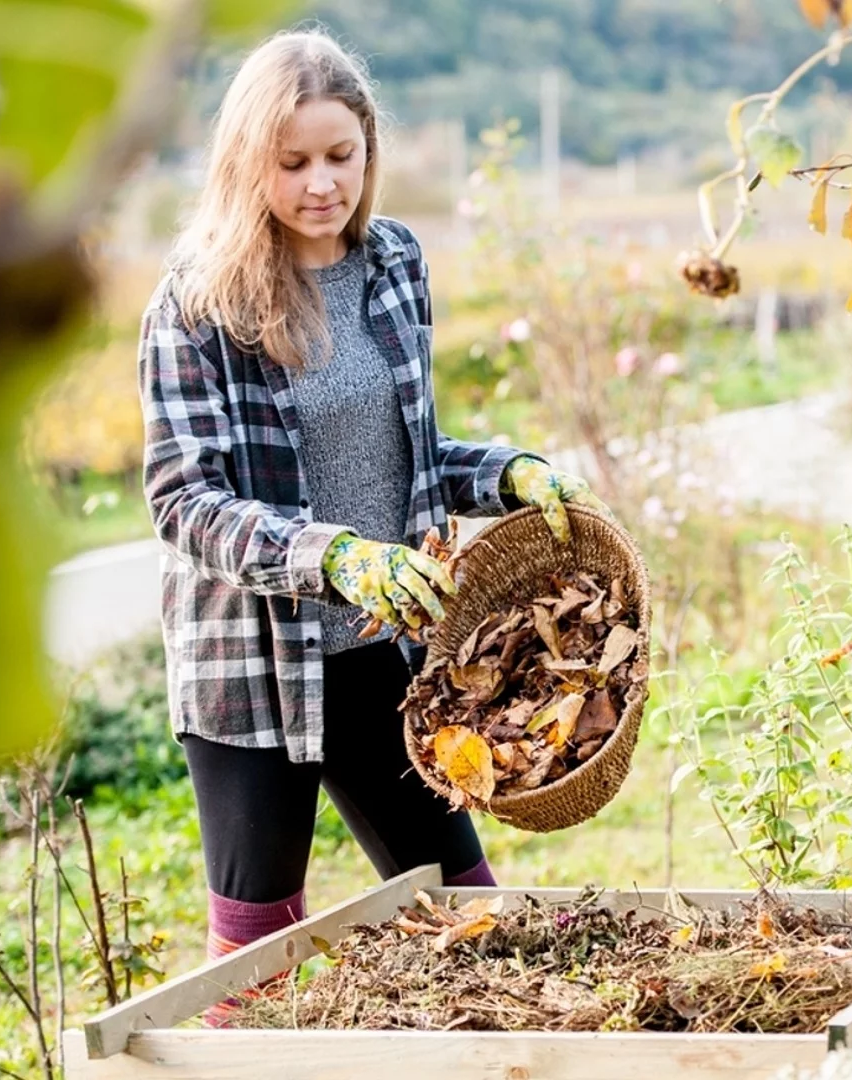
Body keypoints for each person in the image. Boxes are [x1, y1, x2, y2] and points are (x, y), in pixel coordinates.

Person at [136, 28, 609, 1023]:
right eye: (293, 161)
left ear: (369, 150)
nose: (321, 185)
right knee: (256, 959)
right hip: (255, 673)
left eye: (340, 157)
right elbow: (185, 500)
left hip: (381, 655)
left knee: (465, 912)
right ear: (246, 161)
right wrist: (335, 558)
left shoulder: (394, 263)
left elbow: (405, 457)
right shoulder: (197, 302)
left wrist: (506, 471)